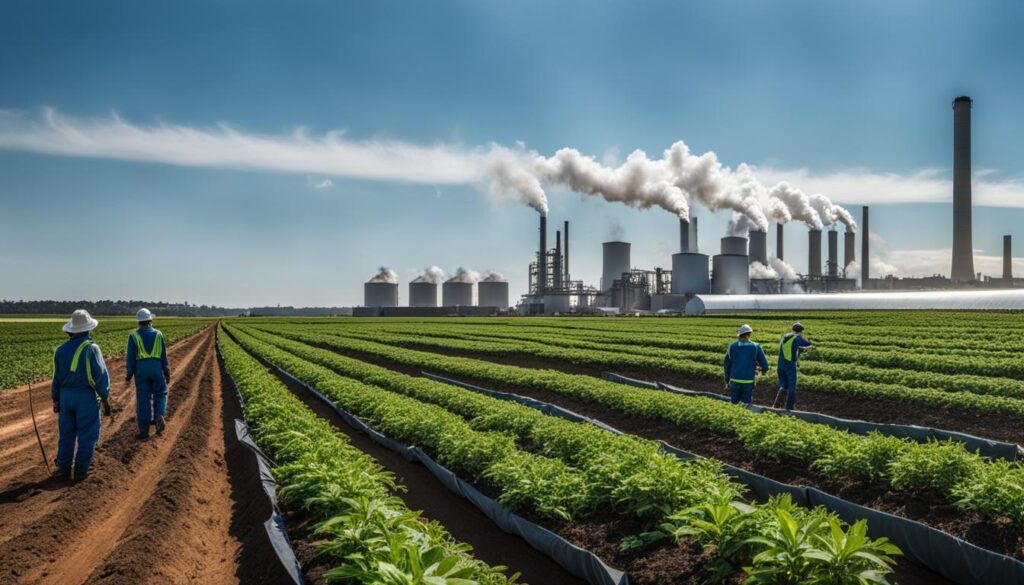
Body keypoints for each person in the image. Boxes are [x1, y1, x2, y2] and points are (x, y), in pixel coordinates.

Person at [52, 309, 112, 481]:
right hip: (85, 397)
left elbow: (56, 378)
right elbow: (101, 376)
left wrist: (56, 399)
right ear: (88, 329)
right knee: (87, 435)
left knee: (66, 435)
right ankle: (80, 471)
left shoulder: (60, 350)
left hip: (65, 397)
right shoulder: (92, 348)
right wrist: (105, 399)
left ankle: (63, 468)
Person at [125, 308, 170, 439]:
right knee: (161, 394)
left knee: (143, 399)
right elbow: (163, 355)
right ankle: (159, 415)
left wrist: (128, 375)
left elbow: (130, 359)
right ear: (150, 320)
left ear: (139, 322)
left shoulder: (133, 336)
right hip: (156, 368)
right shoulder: (158, 334)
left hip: (141, 370)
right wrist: (166, 371)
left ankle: (144, 432)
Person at [723, 323, 770, 406]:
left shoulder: (732, 346)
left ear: (739, 335)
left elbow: (727, 364)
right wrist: (763, 371)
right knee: (745, 405)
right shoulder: (755, 347)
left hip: (734, 380)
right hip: (748, 381)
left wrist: (727, 380)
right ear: (749, 334)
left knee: (734, 404)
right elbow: (764, 364)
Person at [777, 322, 815, 411]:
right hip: (790, 365)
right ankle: (789, 408)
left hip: (780, 364)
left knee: (783, 385)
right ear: (800, 331)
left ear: (792, 329)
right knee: (792, 387)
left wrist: (804, 348)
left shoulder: (785, 337)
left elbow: (795, 347)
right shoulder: (797, 338)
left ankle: (778, 405)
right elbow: (807, 343)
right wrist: (811, 346)